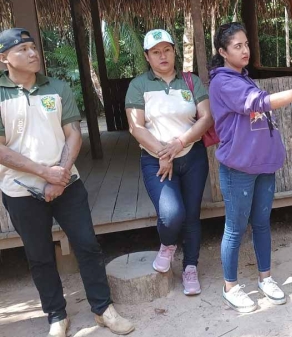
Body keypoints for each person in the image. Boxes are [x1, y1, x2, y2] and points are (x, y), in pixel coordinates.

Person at [0, 28, 134, 337]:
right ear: (4, 58)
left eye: (34, 47)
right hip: (21, 191)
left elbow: (73, 132)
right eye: (23, 50)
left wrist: (59, 174)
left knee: (87, 245)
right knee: (39, 255)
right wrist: (44, 174)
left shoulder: (57, 86)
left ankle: (103, 309)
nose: (33, 53)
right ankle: (56, 316)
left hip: (67, 184)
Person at [208, 22, 292, 313]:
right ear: (223, 52)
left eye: (246, 44)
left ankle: (266, 278)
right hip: (238, 167)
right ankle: (231, 287)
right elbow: (261, 104)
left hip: (263, 164)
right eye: (237, 46)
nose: (245, 50)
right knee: (235, 229)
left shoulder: (243, 77)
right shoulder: (223, 82)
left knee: (261, 223)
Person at [125, 29, 213, 295]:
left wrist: (178, 145)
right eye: (155, 52)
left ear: (174, 51)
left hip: (192, 157)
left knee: (192, 215)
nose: (162, 56)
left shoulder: (191, 81)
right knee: (172, 214)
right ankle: (167, 244)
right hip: (155, 160)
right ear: (147, 57)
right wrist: (164, 154)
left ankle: (190, 268)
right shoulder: (139, 85)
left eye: (167, 50)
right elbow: (135, 127)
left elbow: (206, 118)